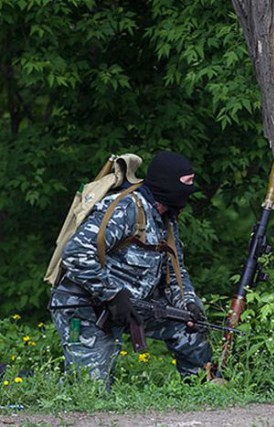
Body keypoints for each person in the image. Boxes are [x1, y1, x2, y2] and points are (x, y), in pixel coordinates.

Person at [49, 151, 213, 386]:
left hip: (131, 306)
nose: (191, 189)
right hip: (84, 307)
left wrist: (187, 303)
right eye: (187, 183)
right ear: (167, 183)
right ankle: (21, 381)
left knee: (188, 327)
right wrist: (113, 294)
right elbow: (76, 253)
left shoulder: (166, 219)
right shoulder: (126, 210)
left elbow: (176, 271)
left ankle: (203, 390)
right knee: (88, 390)